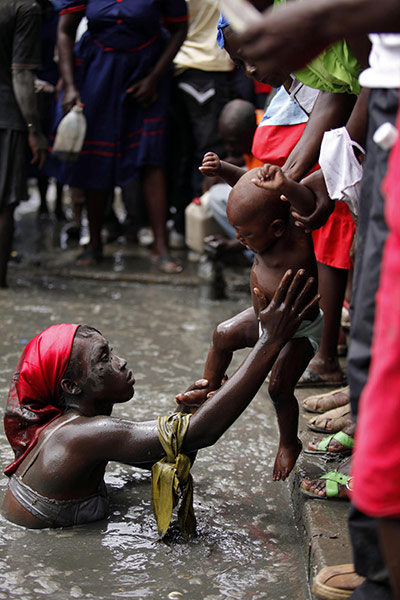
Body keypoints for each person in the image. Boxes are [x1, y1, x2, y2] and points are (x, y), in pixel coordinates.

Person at [239, 1, 400, 598]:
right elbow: (343, 89)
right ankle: (379, 555)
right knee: (379, 338)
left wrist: (321, 23)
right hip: (381, 110)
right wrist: (306, 179)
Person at [1, 270, 319, 529]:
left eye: (111, 351)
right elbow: (201, 434)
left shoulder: (81, 431)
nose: (121, 361)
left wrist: (185, 413)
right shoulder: (80, 434)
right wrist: (269, 341)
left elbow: (162, 454)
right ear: (71, 386)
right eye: (104, 358)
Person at [178, 166, 322, 481]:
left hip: (298, 330)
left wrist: (286, 184)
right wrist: (224, 170)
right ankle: (209, 388)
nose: (239, 239)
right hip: (263, 319)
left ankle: (289, 441)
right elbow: (252, 187)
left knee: (279, 387)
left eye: (247, 234)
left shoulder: (297, 233)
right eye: (236, 231)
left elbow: (306, 202)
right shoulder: (261, 230)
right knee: (222, 334)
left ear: (278, 228)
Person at [53, 0, 188, 272]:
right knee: (95, 155)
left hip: (147, 74)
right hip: (96, 72)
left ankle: (160, 246)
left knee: (152, 156)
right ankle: (94, 244)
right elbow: (65, 30)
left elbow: (179, 30)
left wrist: (154, 78)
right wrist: (69, 85)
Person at [0, 0, 49, 288]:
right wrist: (34, 129)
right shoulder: (25, 8)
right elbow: (20, 74)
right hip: (6, 115)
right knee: (4, 205)